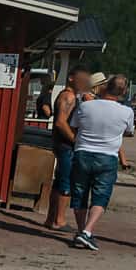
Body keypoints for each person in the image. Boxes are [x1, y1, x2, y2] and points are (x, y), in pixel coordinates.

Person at [65, 74, 134, 251]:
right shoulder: (126, 112)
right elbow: (128, 131)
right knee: (100, 195)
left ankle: (81, 231)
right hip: (107, 156)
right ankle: (87, 232)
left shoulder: (86, 106)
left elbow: (74, 125)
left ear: (105, 87)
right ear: (123, 92)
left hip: (83, 153)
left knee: (79, 193)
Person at [46, 66, 93, 229]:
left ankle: (51, 218)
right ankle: (60, 220)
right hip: (66, 145)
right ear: (72, 78)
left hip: (62, 145)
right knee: (66, 183)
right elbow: (60, 122)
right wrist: (75, 140)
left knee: (59, 182)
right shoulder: (68, 96)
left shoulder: (72, 96)